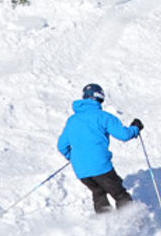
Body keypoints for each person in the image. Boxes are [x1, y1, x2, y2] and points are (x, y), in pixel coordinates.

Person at [58, 84, 145, 214]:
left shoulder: (72, 120)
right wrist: (136, 128)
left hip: (81, 170)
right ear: (99, 98)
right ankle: (133, 225)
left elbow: (62, 145)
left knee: (98, 194)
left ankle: (105, 226)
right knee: (120, 194)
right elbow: (124, 135)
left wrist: (74, 157)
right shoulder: (103, 117)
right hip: (100, 166)